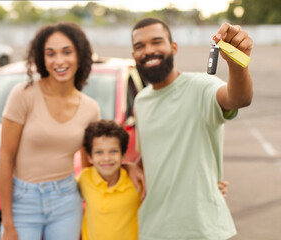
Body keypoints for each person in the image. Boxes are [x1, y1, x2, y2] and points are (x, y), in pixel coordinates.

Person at [131, 18, 253, 239]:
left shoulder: (201, 86)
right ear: (134, 57)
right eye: (140, 46)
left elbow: (238, 98)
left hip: (202, 229)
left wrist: (236, 63)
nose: (148, 50)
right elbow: (151, 154)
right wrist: (129, 166)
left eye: (156, 42)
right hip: (153, 229)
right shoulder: (140, 101)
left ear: (173, 47)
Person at [0, 22, 100, 240]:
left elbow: (90, 166)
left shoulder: (91, 109)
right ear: (42, 59)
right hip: (22, 202)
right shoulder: (24, 94)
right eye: (50, 54)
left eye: (67, 52)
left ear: (79, 56)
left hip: (66, 201)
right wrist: (7, 224)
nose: (59, 61)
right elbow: (6, 158)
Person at [78, 120, 141, 240]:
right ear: (90, 158)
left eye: (113, 151)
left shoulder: (136, 184)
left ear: (123, 156)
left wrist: (130, 166)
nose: (106, 158)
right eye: (99, 152)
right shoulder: (85, 178)